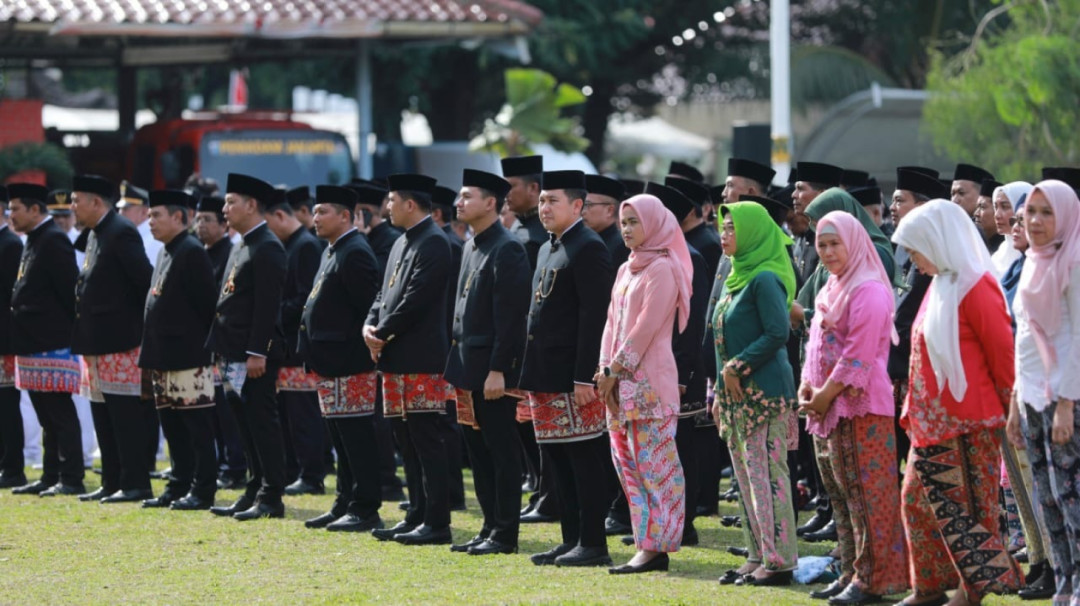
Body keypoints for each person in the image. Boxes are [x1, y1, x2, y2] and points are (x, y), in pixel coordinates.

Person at [891, 199, 1022, 606]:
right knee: (916, 501)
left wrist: (1011, 412)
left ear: (937, 241)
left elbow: (1002, 354)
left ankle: (973, 590)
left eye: (916, 250)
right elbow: (920, 352)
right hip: (930, 422)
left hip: (971, 422)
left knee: (968, 509)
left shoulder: (975, 283)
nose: (914, 260)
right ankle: (928, 587)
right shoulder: (940, 283)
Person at [798, 211, 908, 605]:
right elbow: (815, 349)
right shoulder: (832, 286)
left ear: (854, 243)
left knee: (869, 496)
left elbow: (858, 357)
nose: (827, 253)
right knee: (841, 497)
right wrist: (807, 389)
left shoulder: (869, 290)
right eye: (821, 245)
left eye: (834, 244)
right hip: (826, 410)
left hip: (863, 409)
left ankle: (877, 579)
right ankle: (850, 571)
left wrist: (823, 395)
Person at [519, 169, 615, 567]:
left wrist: (583, 376)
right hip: (544, 373)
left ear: (577, 205)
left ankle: (592, 541)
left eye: (552, 200)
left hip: (573, 377)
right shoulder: (547, 247)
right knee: (555, 460)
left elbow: (595, 317)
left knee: (583, 461)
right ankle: (570, 538)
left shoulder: (588, 246)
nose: (543, 207)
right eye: (541, 200)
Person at [595, 194, 689, 574]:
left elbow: (646, 327)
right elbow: (611, 324)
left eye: (634, 222)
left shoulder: (663, 268)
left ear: (653, 223)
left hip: (649, 382)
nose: (627, 229)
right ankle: (644, 542)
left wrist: (616, 370)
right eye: (624, 222)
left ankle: (658, 545)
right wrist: (604, 369)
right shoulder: (626, 269)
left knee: (656, 465)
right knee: (627, 465)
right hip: (617, 385)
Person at [364, 173, 456, 546]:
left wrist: (381, 332)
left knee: (425, 439)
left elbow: (415, 299)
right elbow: (383, 294)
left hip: (421, 357)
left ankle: (436, 521)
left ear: (410, 204)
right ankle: (416, 513)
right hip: (394, 356)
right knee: (405, 439)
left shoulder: (434, 241)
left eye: (391, 201)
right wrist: (369, 326)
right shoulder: (403, 241)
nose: (386, 207)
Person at [712, 201, 798, 587]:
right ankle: (757, 553)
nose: (725, 234)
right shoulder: (736, 277)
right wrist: (718, 389)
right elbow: (721, 340)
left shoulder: (765, 278)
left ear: (751, 233)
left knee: (766, 476)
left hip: (764, 393)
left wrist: (739, 366)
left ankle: (779, 561)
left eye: (732, 228)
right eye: (723, 227)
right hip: (735, 397)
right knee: (746, 479)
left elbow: (778, 332)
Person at [444, 169, 530, 556]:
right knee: (477, 452)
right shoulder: (469, 244)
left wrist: (499, 368)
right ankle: (488, 526)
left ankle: (505, 533)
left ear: (490, 202)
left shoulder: (506, 248)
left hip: (492, 371)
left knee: (501, 452)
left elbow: (510, 318)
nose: (458, 204)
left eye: (466, 197)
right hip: (467, 366)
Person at [1008, 179, 1080, 605]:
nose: (1034, 221)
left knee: (1071, 491)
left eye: (1046, 212)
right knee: (1047, 494)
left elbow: (1075, 338)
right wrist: (1017, 401)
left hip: (1065, 397)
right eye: (1030, 212)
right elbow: (1025, 339)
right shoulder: (1034, 260)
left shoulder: (1072, 261)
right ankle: (1064, 576)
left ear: (1066, 216)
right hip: (1032, 394)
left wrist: (1066, 404)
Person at [299, 185, 385, 533]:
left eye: (323, 212)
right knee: (340, 438)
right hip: (330, 361)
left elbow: (368, 308)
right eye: (315, 212)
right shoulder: (333, 250)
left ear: (346, 216)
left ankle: (365, 507)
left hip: (349, 361)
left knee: (357, 438)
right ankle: (344, 502)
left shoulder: (355, 252)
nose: (315, 218)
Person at [206, 173, 289, 521]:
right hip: (232, 351)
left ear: (252, 206)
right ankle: (254, 488)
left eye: (230, 202)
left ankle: (272, 495)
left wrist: (259, 351)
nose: (225, 209)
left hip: (251, 354)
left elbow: (267, 307)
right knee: (243, 422)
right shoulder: (242, 243)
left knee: (261, 422)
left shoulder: (267, 245)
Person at [70, 174, 155, 504]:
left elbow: (143, 282)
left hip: (120, 341)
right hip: (94, 341)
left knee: (124, 417)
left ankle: (135, 483)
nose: (73, 207)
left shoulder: (121, 232)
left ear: (95, 202)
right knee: (102, 416)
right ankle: (111, 480)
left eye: (77, 200)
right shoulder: (94, 234)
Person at [137, 190, 219, 511]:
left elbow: (206, 306)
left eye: (157, 215)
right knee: (172, 428)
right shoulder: (164, 252)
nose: (150, 221)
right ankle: (178, 484)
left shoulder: (191, 251)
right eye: (149, 214)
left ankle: (203, 489)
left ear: (178, 218)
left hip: (188, 356)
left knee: (197, 428)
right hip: (163, 356)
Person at [6, 184, 85, 497]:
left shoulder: (53, 239)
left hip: (51, 341)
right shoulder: (34, 239)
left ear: (35, 210)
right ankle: (51, 474)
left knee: (60, 413)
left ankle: (71, 477)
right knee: (45, 416)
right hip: (31, 342)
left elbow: (70, 291)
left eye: (15, 209)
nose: (11, 215)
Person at [501, 155, 560, 525]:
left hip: (537, 345)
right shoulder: (519, 233)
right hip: (517, 345)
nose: (505, 195)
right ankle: (538, 487)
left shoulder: (542, 238)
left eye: (512, 187)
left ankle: (548, 495)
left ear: (534, 188)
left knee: (541, 425)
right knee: (525, 424)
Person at [265, 191, 327, 496]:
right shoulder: (289, 245)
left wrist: (272, 313)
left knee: (303, 416)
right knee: (289, 415)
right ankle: (295, 470)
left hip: (298, 345)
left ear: (279, 216)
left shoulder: (305, 246)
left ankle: (312, 473)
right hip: (284, 345)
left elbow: (305, 299)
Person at [193, 194, 247, 489]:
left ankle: (234, 465)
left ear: (224, 225)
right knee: (210, 412)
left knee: (228, 413)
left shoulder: (230, 252)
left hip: (224, 342)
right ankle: (219, 464)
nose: (201, 226)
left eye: (207, 220)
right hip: (204, 345)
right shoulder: (200, 251)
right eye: (198, 219)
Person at [0, 187, 24, 489]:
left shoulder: (10, 244)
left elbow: (12, 297)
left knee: (6, 406)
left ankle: (12, 465)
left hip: (4, 340)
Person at [583, 175, 629, 268]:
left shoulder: (623, 245)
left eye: (588, 205)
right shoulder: (582, 239)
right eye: (580, 205)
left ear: (609, 210)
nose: (582, 211)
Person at [989, 181, 1031, 279]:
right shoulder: (1000, 252)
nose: (997, 215)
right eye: (996, 207)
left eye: (1005, 207)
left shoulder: (1032, 259)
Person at [118, 181, 164, 267]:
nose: (120, 213)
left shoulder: (154, 240)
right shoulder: (130, 235)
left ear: (144, 212)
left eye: (125, 209)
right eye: (120, 209)